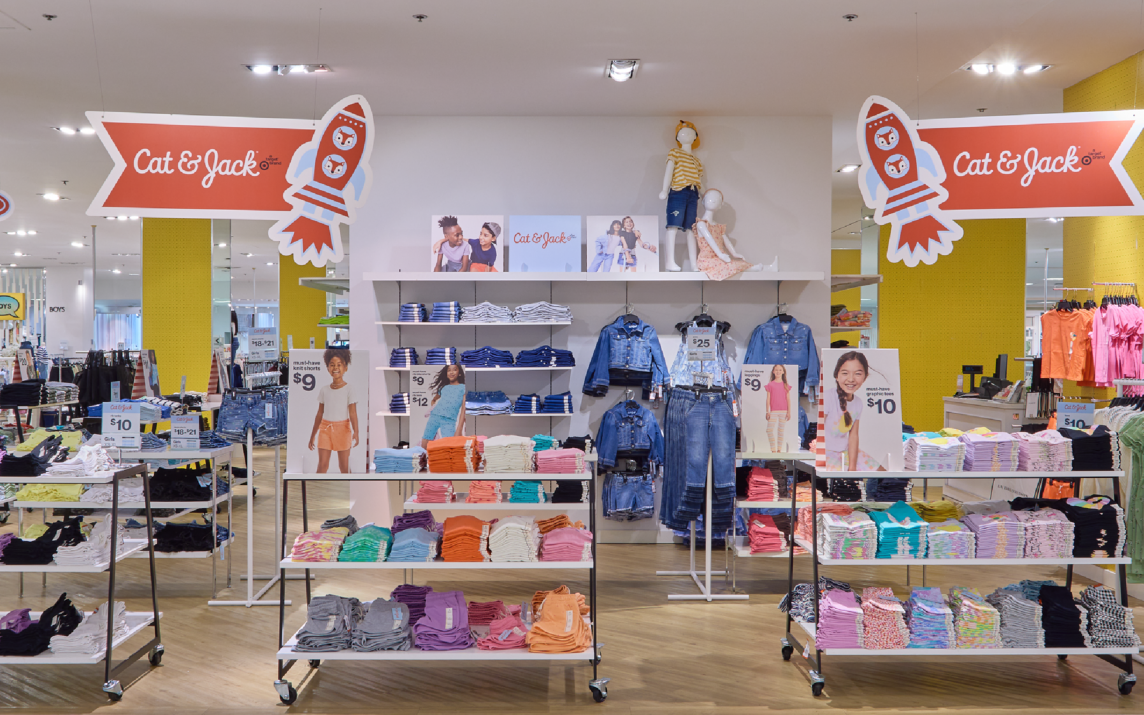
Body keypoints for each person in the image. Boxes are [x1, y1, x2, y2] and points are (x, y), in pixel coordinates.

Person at [823, 351, 885, 471]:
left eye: (857, 374)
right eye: (845, 373)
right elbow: (818, 433)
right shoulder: (827, 397)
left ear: (865, 377)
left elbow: (853, 436)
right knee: (839, 482)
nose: (851, 379)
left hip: (846, 452)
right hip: (825, 452)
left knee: (882, 473)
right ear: (837, 375)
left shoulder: (858, 402)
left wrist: (852, 467)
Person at [308, 348, 359, 474]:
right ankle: (317, 492)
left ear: (345, 368)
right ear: (327, 368)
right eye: (332, 365)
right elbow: (319, 414)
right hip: (325, 429)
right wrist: (313, 435)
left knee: (344, 468)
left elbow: (353, 413)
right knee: (322, 467)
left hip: (343, 429)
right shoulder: (324, 390)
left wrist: (356, 432)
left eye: (339, 365)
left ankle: (353, 491)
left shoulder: (349, 389)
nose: (335, 368)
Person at [421, 364, 467, 448]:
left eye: (454, 370)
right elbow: (434, 399)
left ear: (459, 373)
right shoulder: (443, 388)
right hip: (434, 416)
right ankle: (422, 459)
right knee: (426, 438)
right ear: (446, 374)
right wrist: (433, 406)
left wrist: (459, 429)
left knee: (450, 444)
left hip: (449, 419)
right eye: (449, 370)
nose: (451, 372)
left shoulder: (463, 388)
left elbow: (464, 410)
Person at [433, 221, 500, 272]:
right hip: (474, 265)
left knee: (496, 276)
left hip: (486, 267)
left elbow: (489, 267)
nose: (481, 237)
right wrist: (441, 241)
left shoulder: (492, 252)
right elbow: (463, 239)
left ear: (493, 238)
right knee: (473, 271)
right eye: (480, 234)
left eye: (485, 235)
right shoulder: (476, 242)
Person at [764, 364, 792, 452]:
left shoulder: (785, 385)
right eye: (776, 370)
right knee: (769, 430)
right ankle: (773, 449)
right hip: (773, 411)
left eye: (780, 370)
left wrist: (789, 412)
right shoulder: (770, 385)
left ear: (783, 372)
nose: (778, 372)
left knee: (781, 431)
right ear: (773, 371)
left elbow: (788, 399)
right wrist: (767, 411)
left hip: (783, 411)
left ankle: (779, 449)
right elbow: (768, 399)